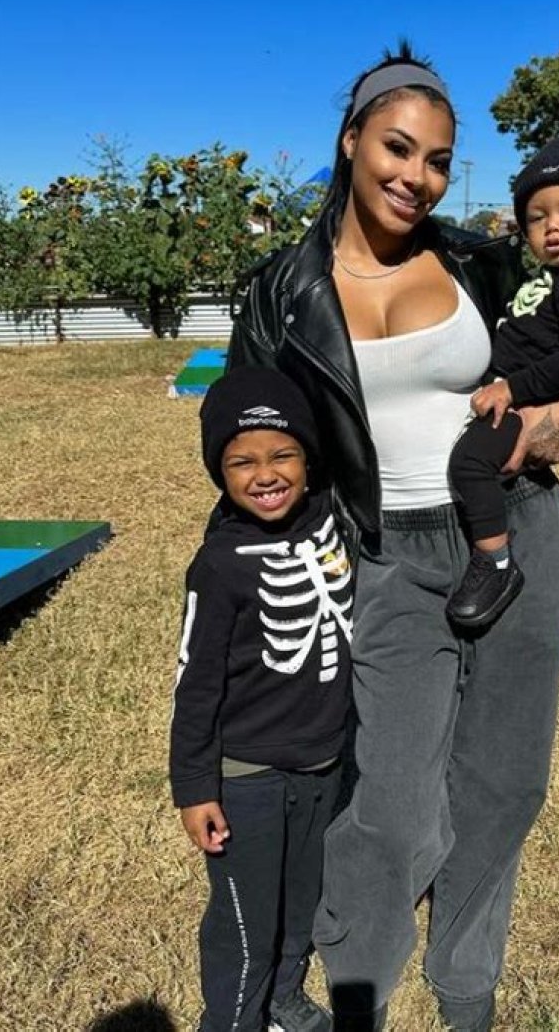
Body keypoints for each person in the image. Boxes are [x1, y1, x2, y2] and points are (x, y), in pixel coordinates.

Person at [224, 44, 559, 1032]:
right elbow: (235, 432)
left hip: (519, 528)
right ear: (351, 141)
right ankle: (358, 984)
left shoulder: (486, 260)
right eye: (398, 148)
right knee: (394, 800)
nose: (418, 176)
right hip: (385, 554)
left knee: (506, 780)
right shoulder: (281, 292)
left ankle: (467, 982)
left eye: (438, 159)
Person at [170, 366, 354, 1032]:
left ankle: (283, 997)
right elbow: (195, 683)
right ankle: (232, 1020)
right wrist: (195, 788)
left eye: (283, 455)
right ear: (218, 472)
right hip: (248, 776)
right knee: (245, 919)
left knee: (302, 900)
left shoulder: (331, 516)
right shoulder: (220, 564)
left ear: (309, 458)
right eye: (241, 462)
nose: (266, 474)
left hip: (324, 763)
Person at [446, 135, 559, 629]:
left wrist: (512, 389)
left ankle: (496, 561)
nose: (553, 227)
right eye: (537, 218)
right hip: (505, 390)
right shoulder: (550, 278)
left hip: (523, 403)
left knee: (470, 464)